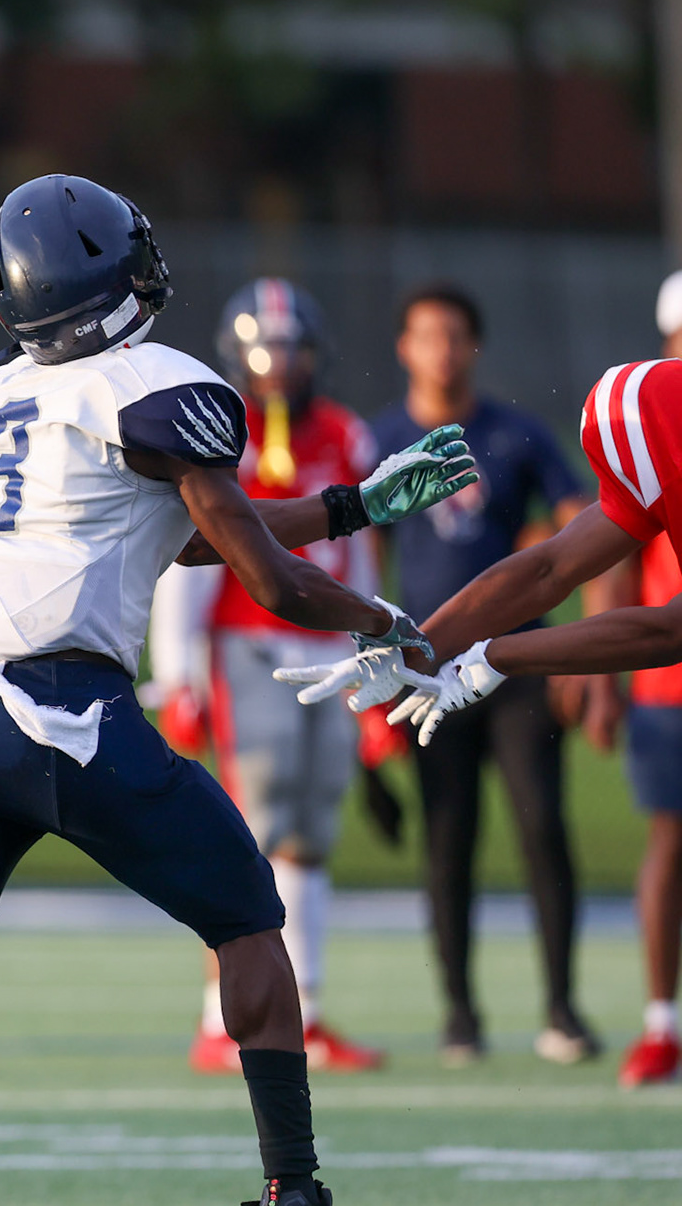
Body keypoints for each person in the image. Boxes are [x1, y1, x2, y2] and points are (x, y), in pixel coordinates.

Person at [0, 175, 474, 1206]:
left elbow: (176, 538)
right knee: (252, 926)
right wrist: (386, 621)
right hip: (63, 714)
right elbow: (261, 573)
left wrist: (352, 503)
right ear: (107, 279)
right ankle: (294, 1186)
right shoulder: (151, 382)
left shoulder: (6, 386)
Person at [150, 279, 385, 1075]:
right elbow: (187, 558)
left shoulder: (343, 431)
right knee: (249, 835)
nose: (280, 366)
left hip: (327, 651)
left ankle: (306, 1011)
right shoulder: (220, 432)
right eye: (267, 351)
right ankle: (222, 1018)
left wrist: (371, 643)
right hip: (247, 649)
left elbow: (357, 551)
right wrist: (177, 675)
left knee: (311, 835)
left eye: (292, 350)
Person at [365, 284, 599, 1067]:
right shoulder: (382, 439)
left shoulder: (513, 432)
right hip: (425, 667)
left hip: (515, 664)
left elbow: (582, 525)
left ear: (474, 346)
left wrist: (586, 656)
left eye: (455, 335)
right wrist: (377, 671)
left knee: (542, 829)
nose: (441, 349)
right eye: (426, 334)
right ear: (404, 347)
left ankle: (562, 1008)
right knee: (447, 840)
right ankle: (460, 1014)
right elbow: (358, 558)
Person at [588, 269, 682, 1087]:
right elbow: (609, 558)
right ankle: (661, 1020)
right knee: (668, 842)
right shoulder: (659, 425)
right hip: (665, 677)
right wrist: (602, 681)